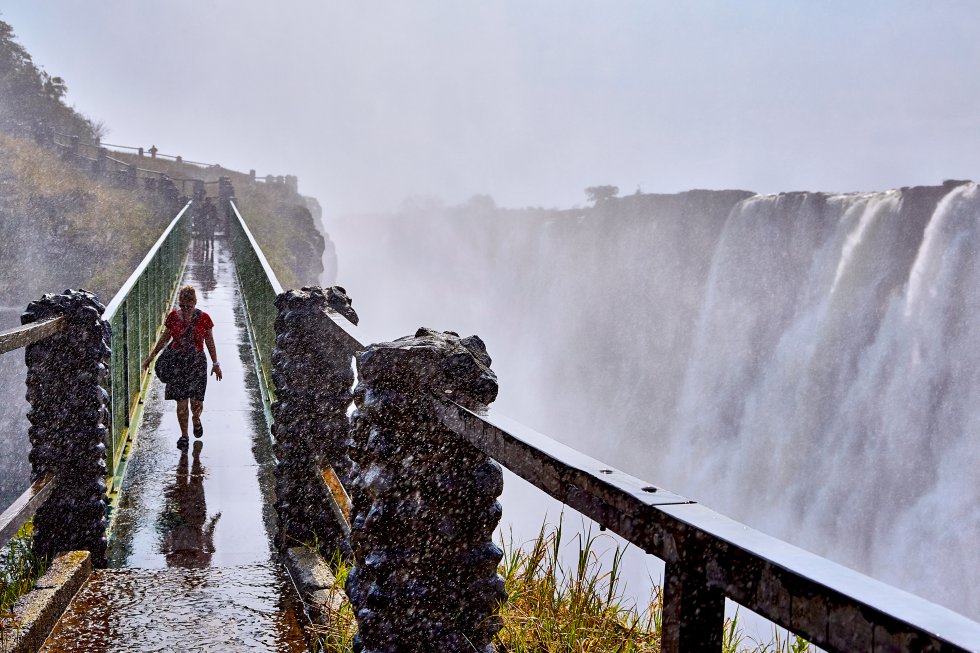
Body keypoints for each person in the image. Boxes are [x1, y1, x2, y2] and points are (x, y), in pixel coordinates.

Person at [143, 285, 222, 448]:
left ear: (195, 304)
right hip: (177, 363)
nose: (185, 309)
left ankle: (196, 418)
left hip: (197, 363)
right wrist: (151, 356)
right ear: (179, 304)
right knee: (181, 403)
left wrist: (216, 364)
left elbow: (210, 341)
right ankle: (184, 435)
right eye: (183, 306)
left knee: (196, 403)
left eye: (189, 306)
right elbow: (165, 337)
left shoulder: (204, 318)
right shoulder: (173, 317)